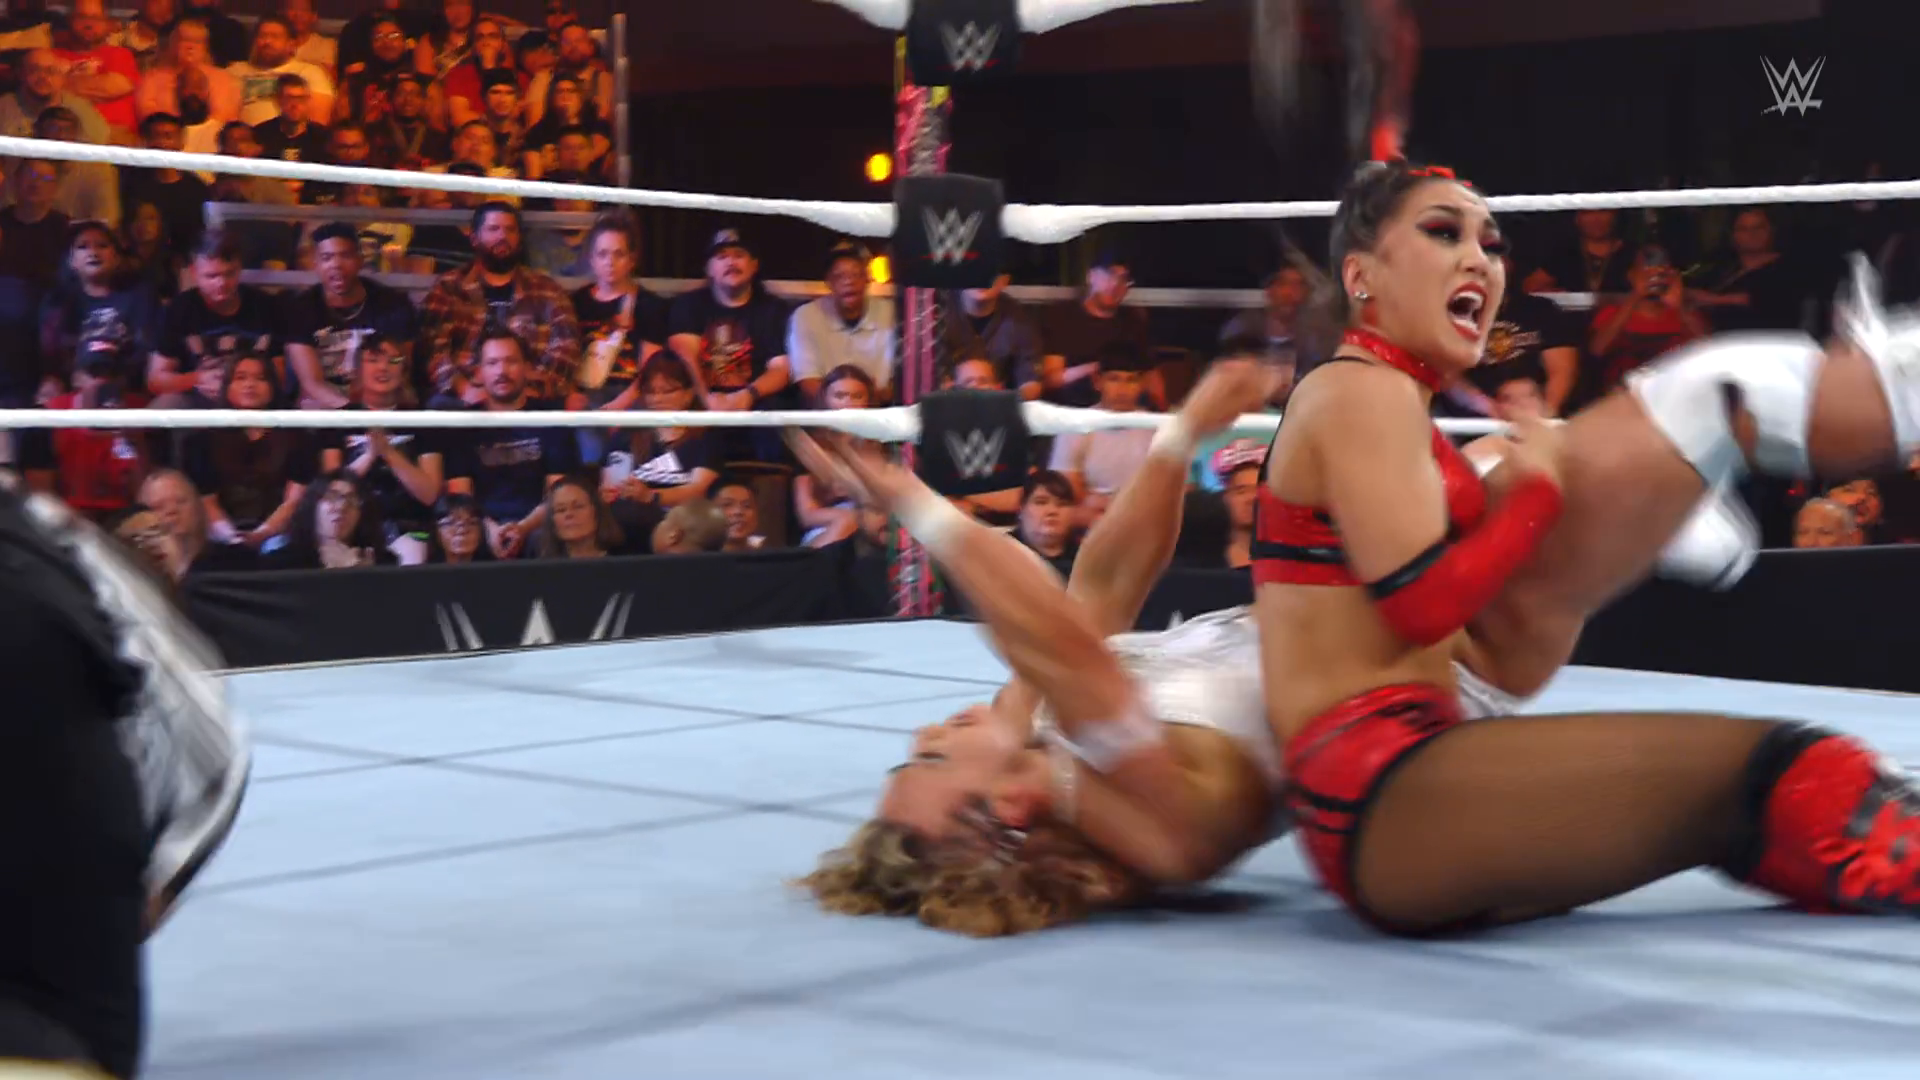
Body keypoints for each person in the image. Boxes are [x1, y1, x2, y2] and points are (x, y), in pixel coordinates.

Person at [1253, 158, 1920, 935]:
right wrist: (1538, 493)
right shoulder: (1357, 392)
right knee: (1788, 777)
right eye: (1443, 233)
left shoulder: (1386, 398)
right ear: (1361, 276)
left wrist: (1535, 486)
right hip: (1382, 791)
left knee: (1777, 773)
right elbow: (1422, 606)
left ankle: (1678, 494)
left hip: (1406, 778)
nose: (1479, 260)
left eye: (1490, 243)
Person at [0, 483, 248, 1078]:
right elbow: (212, 739)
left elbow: (211, 739)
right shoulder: (44, 533)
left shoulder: (41, 538)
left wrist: (158, 875)